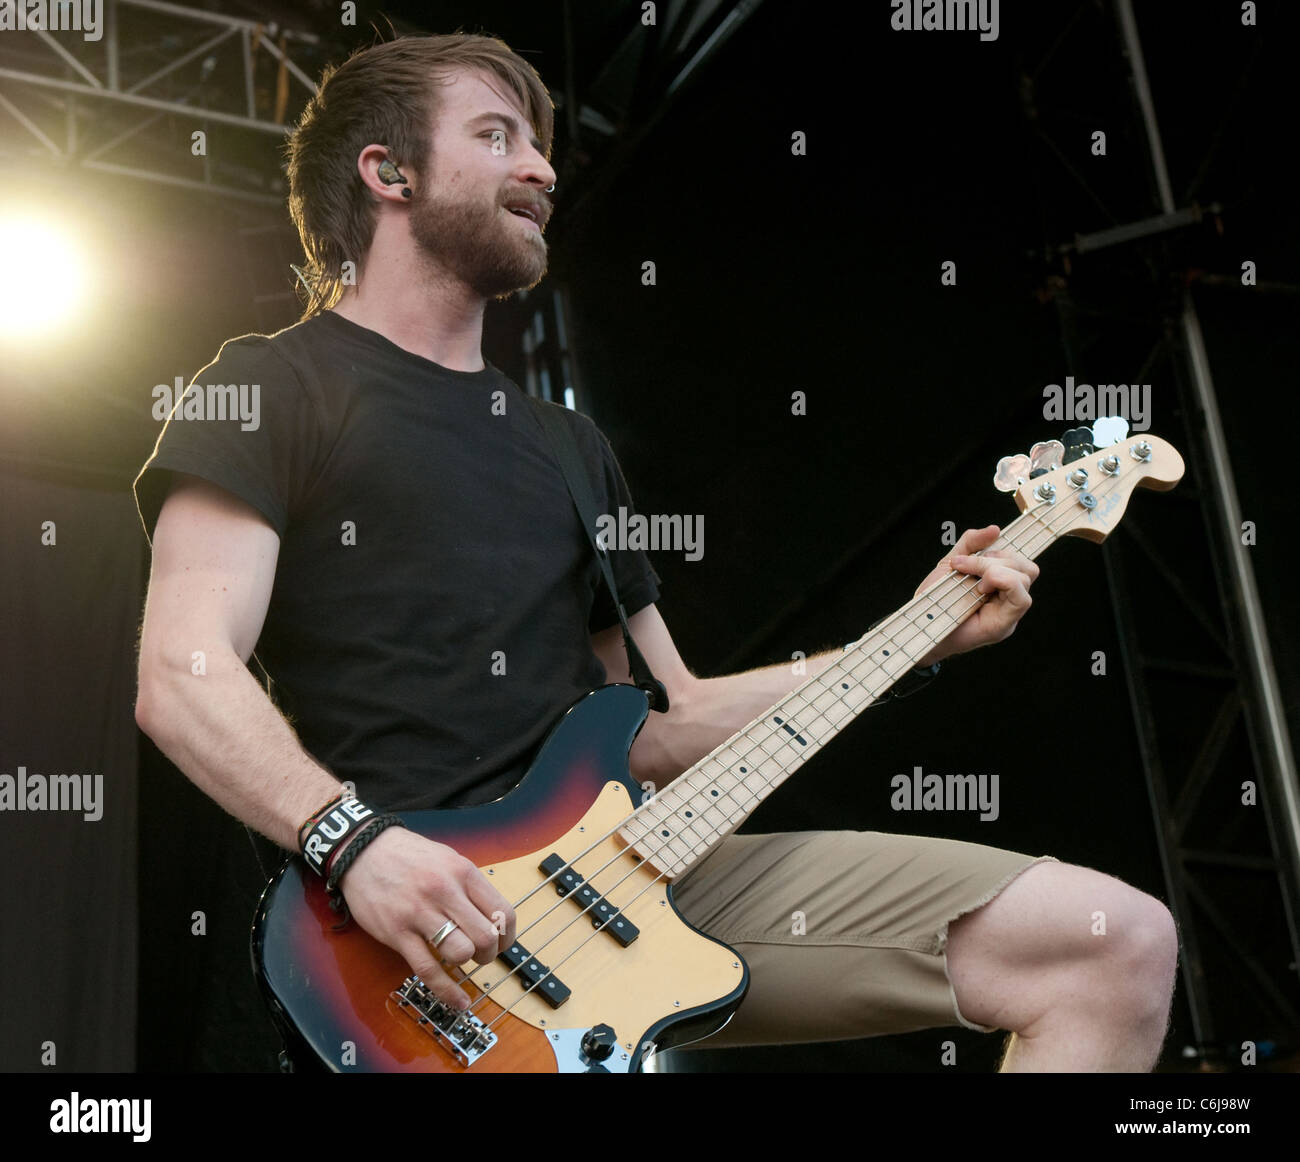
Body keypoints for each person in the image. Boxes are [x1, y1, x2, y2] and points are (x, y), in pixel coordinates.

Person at [134, 33, 1178, 1071]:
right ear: (388, 171)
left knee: (1108, 944)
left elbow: (662, 730)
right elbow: (181, 676)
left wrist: (918, 635)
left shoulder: (568, 448)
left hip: (640, 876)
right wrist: (352, 842)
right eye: (497, 136)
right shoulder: (272, 385)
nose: (542, 168)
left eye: (540, 144)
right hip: (409, 940)